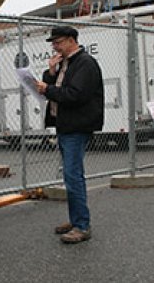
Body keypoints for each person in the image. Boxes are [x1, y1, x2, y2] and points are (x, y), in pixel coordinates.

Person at [35, 26, 104, 244]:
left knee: (73, 176)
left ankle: (82, 225)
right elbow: (54, 86)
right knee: (70, 175)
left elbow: (75, 95)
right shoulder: (66, 63)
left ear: (72, 40)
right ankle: (76, 220)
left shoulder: (85, 63)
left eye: (58, 42)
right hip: (65, 125)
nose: (55, 47)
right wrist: (51, 72)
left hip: (77, 126)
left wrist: (47, 88)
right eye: (53, 43)